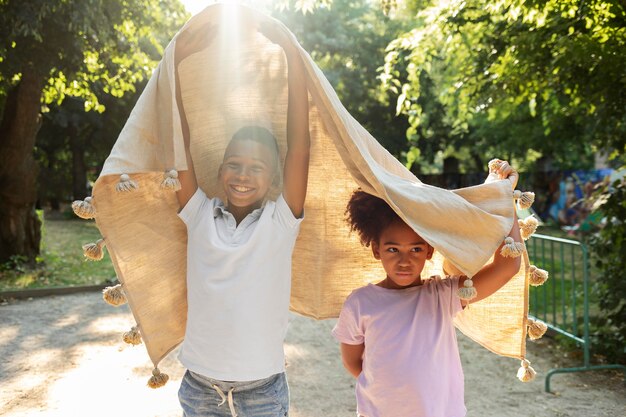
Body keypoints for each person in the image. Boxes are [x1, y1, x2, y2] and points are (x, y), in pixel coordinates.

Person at [173, 13, 310, 417]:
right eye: (234, 163)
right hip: (199, 388)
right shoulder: (199, 214)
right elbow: (179, 146)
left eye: (257, 167)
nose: (243, 174)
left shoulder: (280, 221)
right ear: (219, 172)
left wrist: (290, 52)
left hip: (262, 392)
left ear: (274, 180)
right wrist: (177, 65)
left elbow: (300, 147)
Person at [332, 161, 522, 417]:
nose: (404, 260)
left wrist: (503, 198)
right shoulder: (360, 302)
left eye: (416, 249)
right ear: (376, 250)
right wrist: (390, 386)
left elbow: (507, 267)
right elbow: (353, 362)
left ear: (429, 251)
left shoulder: (443, 296)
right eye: (392, 249)